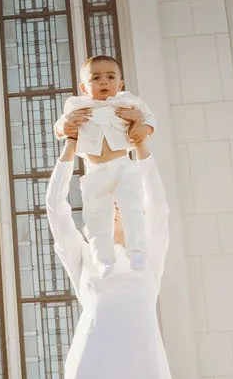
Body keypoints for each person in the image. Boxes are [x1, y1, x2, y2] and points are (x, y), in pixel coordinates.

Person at [45, 112, 186, 379]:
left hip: (142, 365)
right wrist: (70, 150)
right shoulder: (84, 255)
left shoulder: (148, 255)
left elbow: (159, 207)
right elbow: (55, 210)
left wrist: (142, 147)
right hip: (93, 363)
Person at [54, 55, 157, 272]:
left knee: (132, 207)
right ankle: (103, 259)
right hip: (95, 170)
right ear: (84, 87)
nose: (104, 82)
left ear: (120, 84)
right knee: (96, 214)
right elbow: (59, 127)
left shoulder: (129, 102)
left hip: (123, 166)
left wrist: (142, 125)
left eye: (110, 77)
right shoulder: (76, 105)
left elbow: (149, 119)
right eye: (96, 78)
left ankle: (137, 251)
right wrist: (67, 127)